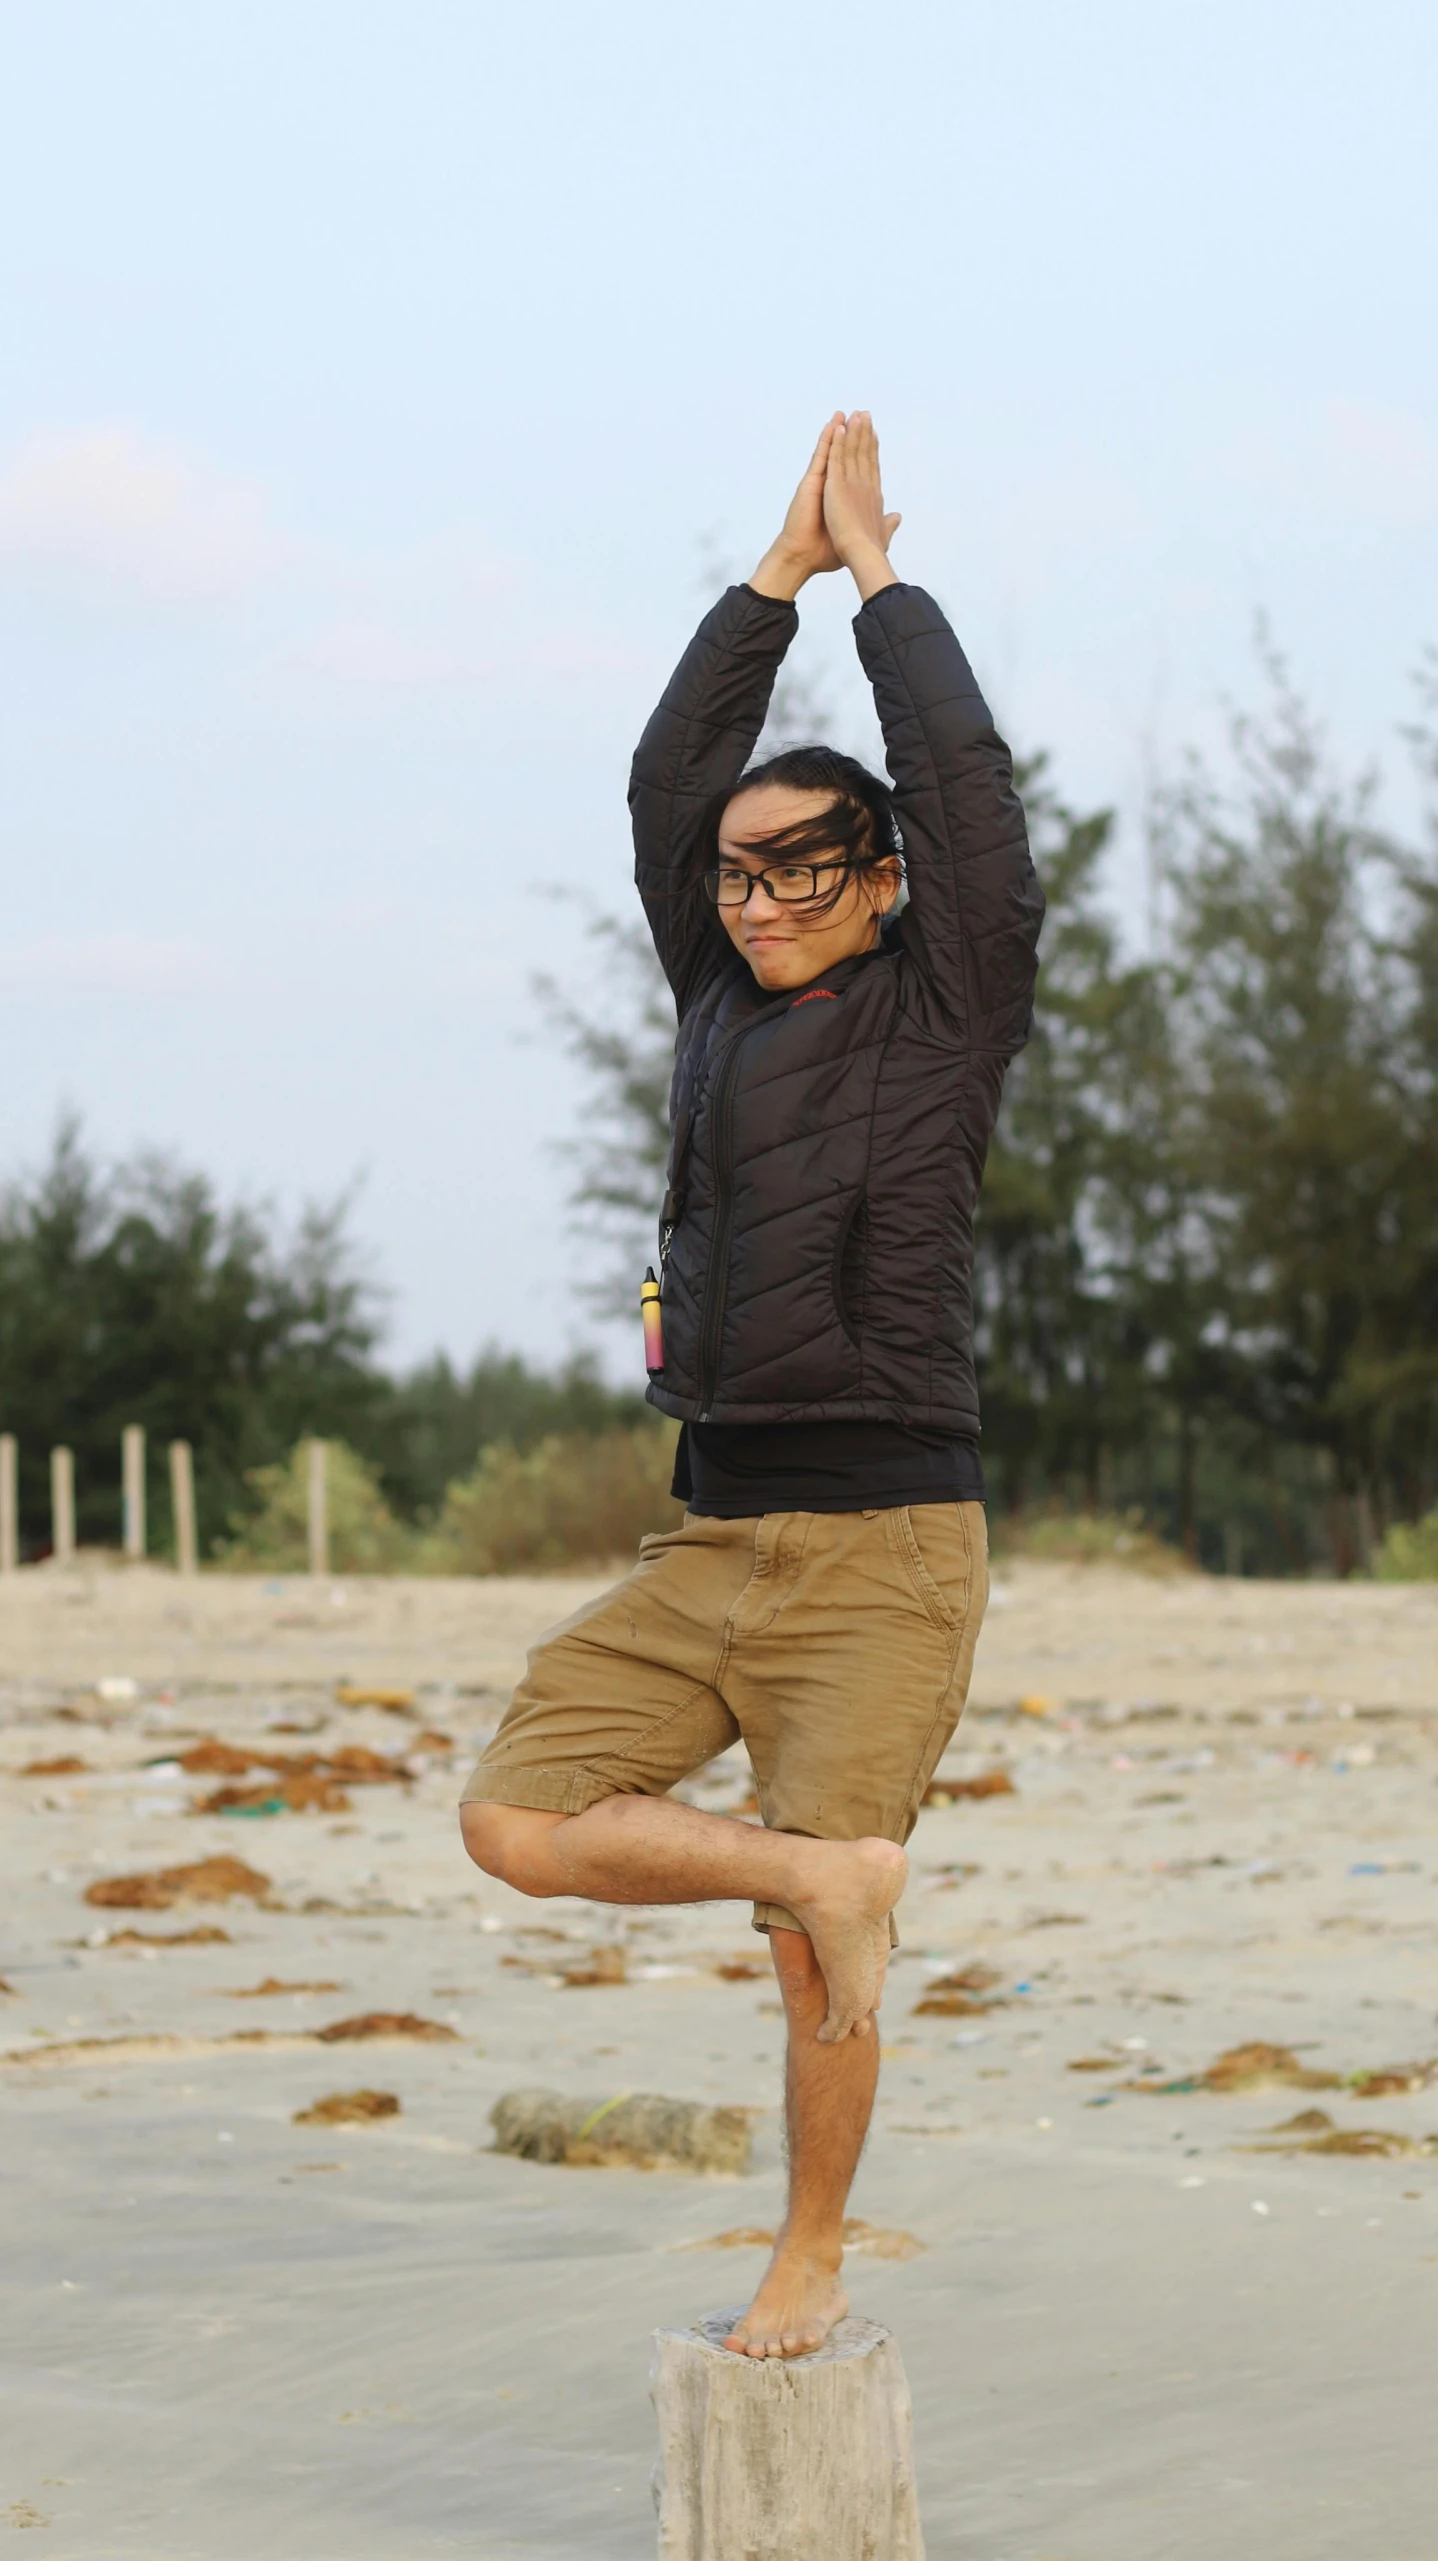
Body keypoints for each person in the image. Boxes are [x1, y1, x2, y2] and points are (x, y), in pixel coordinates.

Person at [460, 413, 1043, 2358]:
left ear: (879, 878)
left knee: (813, 1961)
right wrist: (763, 574)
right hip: (710, 1526)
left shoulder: (945, 995)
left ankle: (808, 2250)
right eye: (739, 872)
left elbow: (965, 788)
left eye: (807, 864)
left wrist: (877, 581)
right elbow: (663, 778)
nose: (761, 893)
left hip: (883, 1538)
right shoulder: (710, 991)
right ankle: (812, 1868)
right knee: (516, 1815)